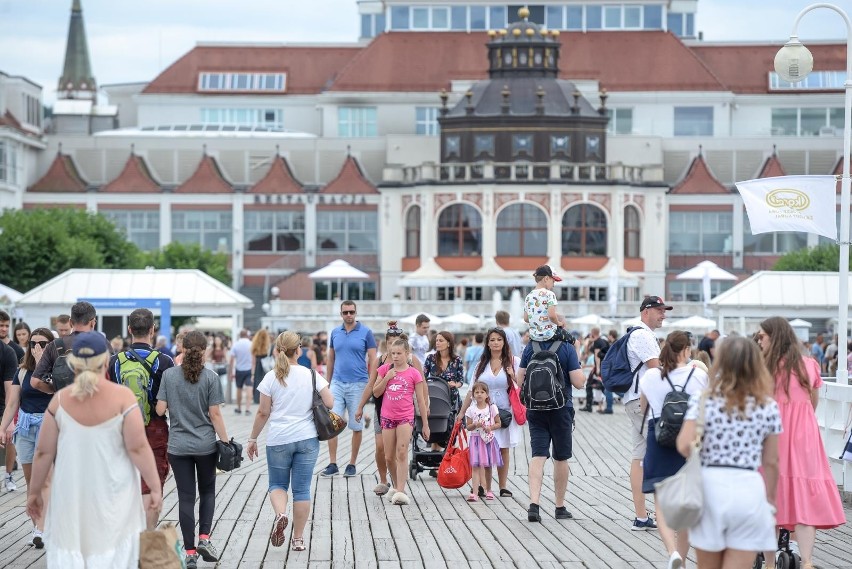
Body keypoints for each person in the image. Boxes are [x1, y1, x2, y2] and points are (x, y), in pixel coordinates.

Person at [26, 332, 162, 568]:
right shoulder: (123, 398)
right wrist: (156, 488)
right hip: (115, 498)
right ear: (106, 361)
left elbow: (43, 453)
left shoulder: (60, 400)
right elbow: (139, 448)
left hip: (71, 498)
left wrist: (34, 492)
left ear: (73, 363)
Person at [676, 336, 782, 569]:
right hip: (748, 487)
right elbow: (772, 461)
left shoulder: (704, 400)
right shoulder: (767, 406)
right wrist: (770, 501)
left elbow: (683, 445)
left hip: (711, 486)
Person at [756, 317, 846, 569]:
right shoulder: (809, 365)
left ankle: (770, 562)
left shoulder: (763, 368)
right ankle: (806, 561)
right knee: (804, 497)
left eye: (762, 336)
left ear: (774, 337)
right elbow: (812, 401)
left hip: (773, 435)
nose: (759, 340)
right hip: (804, 436)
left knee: (770, 497)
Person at [246, 331, 334, 551]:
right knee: (302, 490)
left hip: (278, 439)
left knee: (277, 484)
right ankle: (298, 539)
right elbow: (330, 402)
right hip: (306, 438)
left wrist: (252, 438)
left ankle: (281, 514)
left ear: (277, 350)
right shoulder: (311, 374)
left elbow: (263, 413)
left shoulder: (271, 376)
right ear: (299, 350)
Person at [156, 330, 229, 569]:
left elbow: (159, 410)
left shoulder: (168, 375)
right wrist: (226, 441)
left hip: (178, 446)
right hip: (205, 445)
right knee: (207, 492)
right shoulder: (210, 377)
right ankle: (204, 539)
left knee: (185, 498)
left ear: (183, 350)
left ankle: (189, 554)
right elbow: (215, 414)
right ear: (205, 350)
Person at [639, 330, 709, 569]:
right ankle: (682, 553)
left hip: (659, 438)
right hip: (688, 441)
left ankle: (672, 554)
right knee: (687, 505)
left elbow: (643, 407)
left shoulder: (650, 376)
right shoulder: (698, 375)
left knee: (661, 503)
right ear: (687, 350)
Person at [107, 308, 175, 530]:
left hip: (122, 428)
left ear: (129, 330)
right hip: (155, 428)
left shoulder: (115, 361)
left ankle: (125, 537)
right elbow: (171, 401)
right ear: (152, 330)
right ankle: (146, 539)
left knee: (122, 481)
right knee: (152, 483)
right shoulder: (164, 361)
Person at [517, 323, 586, 522]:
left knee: (538, 455)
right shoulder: (566, 347)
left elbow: (520, 381)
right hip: (561, 408)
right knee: (561, 457)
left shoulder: (531, 346)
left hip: (535, 409)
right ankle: (559, 506)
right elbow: (579, 382)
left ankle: (534, 504)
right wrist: (577, 352)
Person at [355, 322, 424, 496]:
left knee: (400, 450)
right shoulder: (381, 361)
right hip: (382, 408)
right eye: (390, 342)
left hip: (404, 410)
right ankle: (385, 479)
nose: (394, 346)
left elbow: (421, 386)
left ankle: (398, 487)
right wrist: (360, 406)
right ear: (386, 343)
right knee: (382, 449)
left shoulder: (411, 361)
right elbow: (372, 386)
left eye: (396, 341)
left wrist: (424, 408)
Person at [0, 327, 54, 546]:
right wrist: (3, 427)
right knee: (32, 482)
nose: (37, 347)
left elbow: (54, 391)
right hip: (25, 426)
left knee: (47, 480)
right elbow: (12, 401)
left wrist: (44, 365)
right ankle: (38, 525)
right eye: (33, 344)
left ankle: (41, 530)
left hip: (49, 425)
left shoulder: (57, 368)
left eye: (42, 343)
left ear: (51, 345)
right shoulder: (22, 371)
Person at [622, 295, 672, 531]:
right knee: (657, 451)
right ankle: (656, 513)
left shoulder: (641, 333)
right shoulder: (642, 335)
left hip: (636, 400)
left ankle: (641, 516)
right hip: (643, 401)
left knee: (640, 455)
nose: (663, 314)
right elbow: (656, 369)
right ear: (646, 312)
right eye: (659, 310)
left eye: (664, 311)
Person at [458, 327, 520, 498]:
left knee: (503, 448)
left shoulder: (514, 361)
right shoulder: (481, 365)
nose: (495, 343)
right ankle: (484, 486)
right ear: (487, 343)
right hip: (482, 413)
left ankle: (503, 486)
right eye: (492, 340)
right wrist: (462, 413)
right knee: (484, 447)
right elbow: (471, 390)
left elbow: (524, 382)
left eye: (499, 339)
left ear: (504, 342)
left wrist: (513, 375)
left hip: (504, 412)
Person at [321, 301, 377, 478]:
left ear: (356, 313)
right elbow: (331, 358)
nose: (349, 315)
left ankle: (352, 463)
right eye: (345, 312)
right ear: (341, 314)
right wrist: (327, 384)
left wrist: (373, 383)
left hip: (359, 383)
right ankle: (332, 463)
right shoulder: (335, 332)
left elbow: (373, 359)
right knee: (332, 423)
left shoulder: (366, 332)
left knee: (356, 425)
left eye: (351, 312)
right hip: (337, 382)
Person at [373, 337, 429, 505]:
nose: (396, 356)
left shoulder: (414, 373)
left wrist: (425, 424)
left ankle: (401, 490)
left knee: (402, 452)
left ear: (407, 354)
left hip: (406, 416)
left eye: (399, 353)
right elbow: (376, 393)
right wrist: (387, 378)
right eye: (393, 353)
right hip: (387, 417)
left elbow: (420, 400)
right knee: (389, 456)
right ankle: (396, 485)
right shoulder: (384, 369)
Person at [32, 301, 112, 395]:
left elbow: (35, 382)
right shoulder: (102, 342)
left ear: (70, 322)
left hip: (65, 404)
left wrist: (57, 390)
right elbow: (113, 375)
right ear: (92, 322)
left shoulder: (55, 345)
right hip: (96, 401)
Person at [464, 381, 503, 502]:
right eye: (477, 392)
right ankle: (475, 492)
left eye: (482, 392)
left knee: (488, 465)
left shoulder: (492, 408)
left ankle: (489, 490)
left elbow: (499, 423)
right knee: (475, 466)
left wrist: (490, 427)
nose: (479, 394)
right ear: (473, 395)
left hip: (488, 439)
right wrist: (476, 424)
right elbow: (468, 426)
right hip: (475, 439)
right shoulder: (471, 410)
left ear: (487, 394)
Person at [423, 330, 464, 431]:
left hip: (451, 396)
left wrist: (455, 384)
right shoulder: (430, 358)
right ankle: (434, 447)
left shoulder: (457, 360)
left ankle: (450, 446)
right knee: (435, 425)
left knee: (450, 428)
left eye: (441, 340)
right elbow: (423, 377)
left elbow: (461, 380)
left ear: (449, 343)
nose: (437, 343)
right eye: (436, 340)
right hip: (434, 395)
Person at [524, 265, 566, 342]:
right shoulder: (549, 294)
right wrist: (559, 323)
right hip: (550, 334)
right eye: (553, 281)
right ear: (546, 278)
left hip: (534, 336)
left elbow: (526, 319)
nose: (553, 285)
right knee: (576, 343)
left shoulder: (528, 296)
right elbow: (552, 316)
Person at [0, 338, 18, 493]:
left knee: (9, 440)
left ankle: (9, 475)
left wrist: (9, 420)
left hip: (1, 406)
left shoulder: (7, 352)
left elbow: (9, 388)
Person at [580, 327, 610, 413]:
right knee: (599, 386)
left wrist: (597, 369)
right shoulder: (602, 341)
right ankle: (600, 406)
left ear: (592, 333)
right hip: (604, 367)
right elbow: (588, 352)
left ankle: (589, 406)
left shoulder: (597, 342)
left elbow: (597, 356)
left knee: (591, 385)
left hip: (599, 367)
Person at [229, 329, 254, 415]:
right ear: (247, 335)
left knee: (239, 388)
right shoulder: (251, 344)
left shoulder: (235, 344)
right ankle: (247, 409)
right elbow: (254, 359)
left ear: (240, 335)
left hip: (239, 369)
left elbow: (231, 360)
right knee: (249, 388)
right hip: (249, 369)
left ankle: (239, 408)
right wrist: (253, 372)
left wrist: (231, 372)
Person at [251, 329, 272, 405]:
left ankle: (257, 399)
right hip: (266, 368)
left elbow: (253, 362)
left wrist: (252, 374)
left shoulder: (255, 347)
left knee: (257, 383)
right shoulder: (268, 347)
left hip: (257, 368)